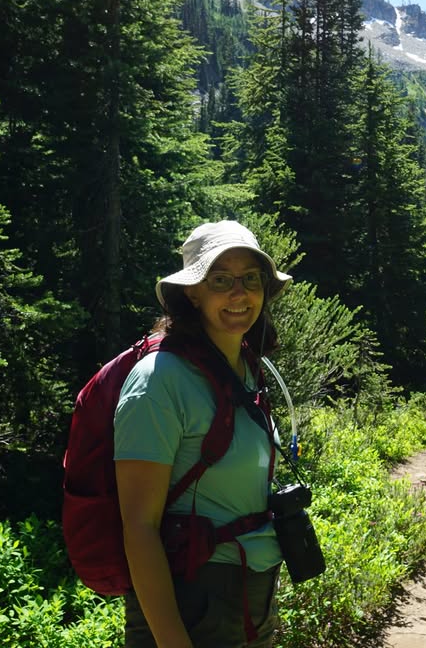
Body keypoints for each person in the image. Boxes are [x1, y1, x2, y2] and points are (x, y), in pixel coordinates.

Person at [114, 220, 292, 648]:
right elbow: (139, 526)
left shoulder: (246, 368)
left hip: (249, 596)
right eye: (221, 280)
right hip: (192, 600)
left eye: (251, 279)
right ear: (192, 293)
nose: (240, 293)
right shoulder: (159, 380)